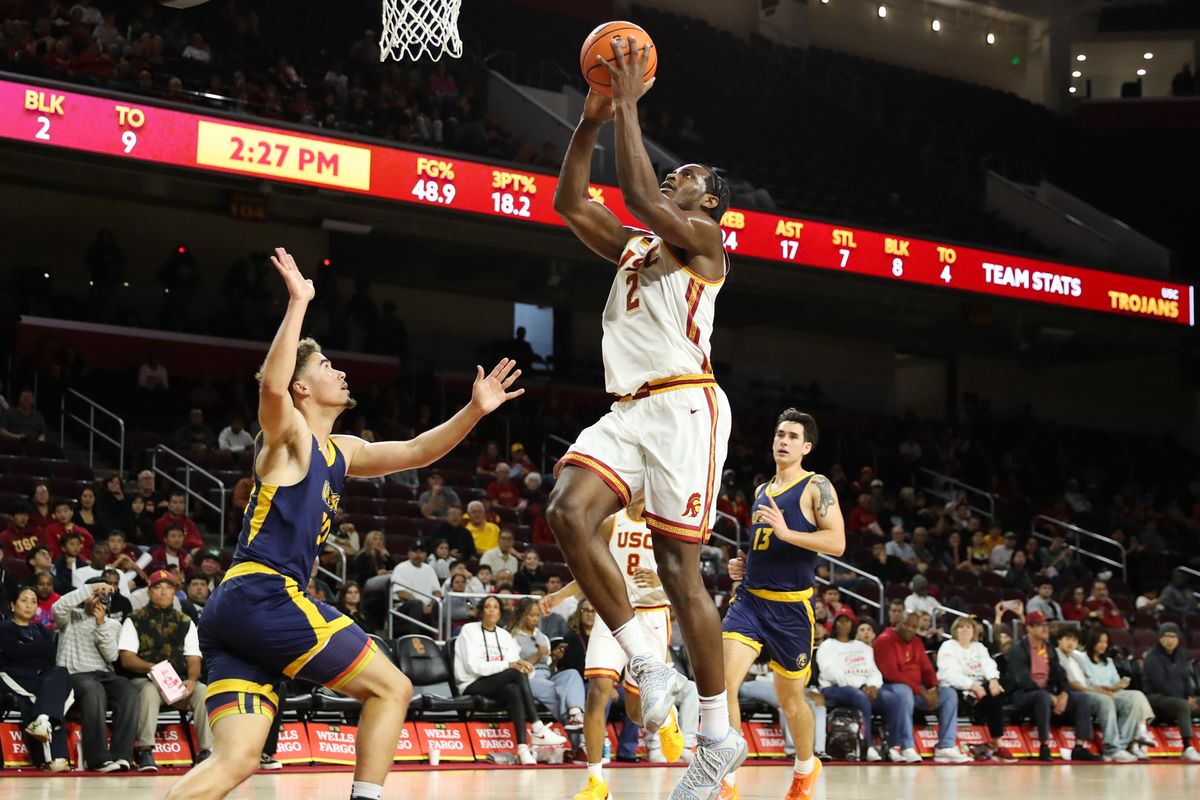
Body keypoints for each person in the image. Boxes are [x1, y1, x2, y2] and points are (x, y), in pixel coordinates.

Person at [169, 247, 525, 800]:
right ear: (303, 388)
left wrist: (474, 410)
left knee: (235, 760)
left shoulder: (345, 449)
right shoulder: (286, 436)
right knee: (393, 687)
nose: (340, 370)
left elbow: (414, 451)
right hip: (264, 594)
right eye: (325, 367)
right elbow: (270, 386)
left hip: (236, 614)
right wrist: (298, 303)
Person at [548, 34, 743, 800]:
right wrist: (593, 119)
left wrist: (629, 103)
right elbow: (571, 202)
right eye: (675, 172)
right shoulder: (636, 247)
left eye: (688, 175)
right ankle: (645, 657)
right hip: (630, 409)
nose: (675, 175)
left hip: (688, 405)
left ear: (711, 202)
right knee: (567, 509)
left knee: (678, 569)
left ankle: (716, 736)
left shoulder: (706, 244)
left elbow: (640, 198)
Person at [719, 409, 845, 797]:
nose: (783, 441)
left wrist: (789, 533)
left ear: (805, 447)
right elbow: (765, 541)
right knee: (723, 686)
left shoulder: (815, 486)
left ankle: (806, 770)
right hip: (750, 603)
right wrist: (743, 564)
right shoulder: (761, 491)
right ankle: (726, 779)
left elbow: (836, 543)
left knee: (791, 702)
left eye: (792, 436)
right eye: (780, 434)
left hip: (791, 611)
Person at [541, 496, 687, 800]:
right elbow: (589, 570)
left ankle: (667, 712)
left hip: (651, 619)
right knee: (597, 691)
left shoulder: (667, 525)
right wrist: (558, 596)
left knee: (636, 713)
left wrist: (660, 580)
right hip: (612, 614)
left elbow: (687, 577)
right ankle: (596, 781)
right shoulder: (611, 522)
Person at [453, 594, 567, 764]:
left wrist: (527, 668)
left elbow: (516, 663)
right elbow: (474, 667)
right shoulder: (469, 630)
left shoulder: (504, 635)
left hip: (497, 682)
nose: (491, 609)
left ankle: (522, 749)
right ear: (481, 611)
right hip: (472, 682)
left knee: (514, 689)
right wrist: (510, 666)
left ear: (500, 613)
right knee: (514, 673)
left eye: (495, 607)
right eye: (487, 606)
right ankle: (537, 726)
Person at [118, 569, 213, 771]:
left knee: (203, 692)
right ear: (149, 592)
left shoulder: (185, 621)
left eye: (168, 588)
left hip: (175, 682)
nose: (163, 592)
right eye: (158, 588)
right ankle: (145, 751)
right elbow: (127, 659)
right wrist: (152, 668)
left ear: (174, 592)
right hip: (144, 679)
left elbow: (194, 657)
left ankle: (206, 751)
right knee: (150, 692)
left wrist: (192, 680)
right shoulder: (134, 619)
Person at [53, 579, 137, 771]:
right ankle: (97, 758)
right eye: (96, 595)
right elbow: (59, 606)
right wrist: (91, 588)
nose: (100, 599)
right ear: (84, 596)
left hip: (104, 674)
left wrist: (100, 625)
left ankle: (122, 755)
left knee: (129, 690)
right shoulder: (71, 617)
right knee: (93, 689)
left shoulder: (114, 625)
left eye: (104, 596)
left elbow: (111, 655)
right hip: (74, 674)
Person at [1002, 610, 1099, 761]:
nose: (1045, 629)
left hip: (1047, 694)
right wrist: (1050, 697)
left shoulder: (1048, 648)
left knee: (1082, 699)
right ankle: (1044, 746)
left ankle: (1079, 747)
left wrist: (1064, 694)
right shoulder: (1018, 649)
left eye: (1046, 625)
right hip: (1021, 695)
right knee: (1042, 696)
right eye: (1040, 625)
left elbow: (1060, 675)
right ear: (1029, 628)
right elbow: (1023, 681)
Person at [874, 611, 969, 763]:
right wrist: (922, 691)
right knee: (904, 692)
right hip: (889, 689)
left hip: (917, 691)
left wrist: (934, 688)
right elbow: (890, 673)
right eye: (906, 625)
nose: (909, 629)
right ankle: (906, 746)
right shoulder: (884, 640)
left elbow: (926, 669)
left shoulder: (917, 642)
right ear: (897, 623)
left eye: (913, 626)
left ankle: (945, 746)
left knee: (949, 694)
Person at [0, 586, 72, 771]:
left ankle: (42, 720)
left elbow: (50, 657)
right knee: (46, 698)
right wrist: (36, 648)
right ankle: (55, 757)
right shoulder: (4, 628)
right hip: (13, 675)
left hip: (39, 676)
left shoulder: (40, 628)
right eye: (24, 600)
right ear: (12, 605)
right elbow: (15, 653)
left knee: (61, 673)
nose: (29, 605)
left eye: (33, 601)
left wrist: (30, 649)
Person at [816, 614, 894, 762]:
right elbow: (832, 673)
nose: (844, 625)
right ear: (835, 625)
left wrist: (873, 685)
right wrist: (860, 686)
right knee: (860, 697)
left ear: (853, 625)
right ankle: (868, 746)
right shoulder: (827, 645)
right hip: (834, 689)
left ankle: (894, 746)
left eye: (848, 621)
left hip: (865, 689)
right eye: (841, 621)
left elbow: (874, 671)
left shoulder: (863, 648)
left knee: (892, 699)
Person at [1056, 626, 1135, 762]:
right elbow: (1072, 684)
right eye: (1067, 639)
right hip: (1076, 695)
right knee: (1105, 700)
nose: (1071, 643)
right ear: (1059, 640)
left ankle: (1121, 745)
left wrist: (1105, 689)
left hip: (1090, 691)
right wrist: (1098, 692)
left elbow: (1090, 681)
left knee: (1128, 703)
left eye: (1074, 640)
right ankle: (1112, 748)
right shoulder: (1056, 656)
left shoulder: (1076, 657)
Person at [936, 617, 1010, 758]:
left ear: (974, 631)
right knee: (952, 692)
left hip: (978, 691)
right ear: (955, 630)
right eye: (961, 627)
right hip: (956, 689)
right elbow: (950, 675)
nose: (964, 630)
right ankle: (947, 745)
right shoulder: (948, 646)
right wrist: (973, 686)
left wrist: (993, 680)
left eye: (968, 627)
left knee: (996, 691)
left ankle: (997, 741)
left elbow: (989, 665)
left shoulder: (978, 647)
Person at [508, 597, 585, 730]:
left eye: (538, 615)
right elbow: (515, 668)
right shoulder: (512, 637)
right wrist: (537, 656)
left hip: (547, 675)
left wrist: (555, 658)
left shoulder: (542, 637)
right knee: (557, 691)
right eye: (531, 615)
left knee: (572, 674)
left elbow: (550, 668)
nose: (536, 619)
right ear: (521, 615)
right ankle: (571, 722)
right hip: (528, 679)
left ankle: (575, 712)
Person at [1083, 628, 1155, 760]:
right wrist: (1106, 690)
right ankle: (1132, 739)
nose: (1103, 645)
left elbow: (1115, 683)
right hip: (1094, 694)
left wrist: (1119, 685)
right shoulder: (1082, 659)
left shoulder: (1109, 661)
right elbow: (1087, 683)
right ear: (1092, 642)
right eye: (1099, 642)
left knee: (1136, 696)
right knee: (1110, 700)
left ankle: (1124, 744)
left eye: (1105, 642)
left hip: (1112, 693)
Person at [1142, 622, 1200, 761]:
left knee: (1188, 703)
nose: (1170, 640)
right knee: (1181, 705)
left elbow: (1186, 678)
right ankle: (1187, 747)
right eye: (1167, 636)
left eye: (1174, 636)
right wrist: (1184, 700)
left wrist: (1190, 696)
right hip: (1156, 699)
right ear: (1160, 638)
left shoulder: (1180, 655)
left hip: (1179, 699)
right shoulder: (1152, 657)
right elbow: (1160, 684)